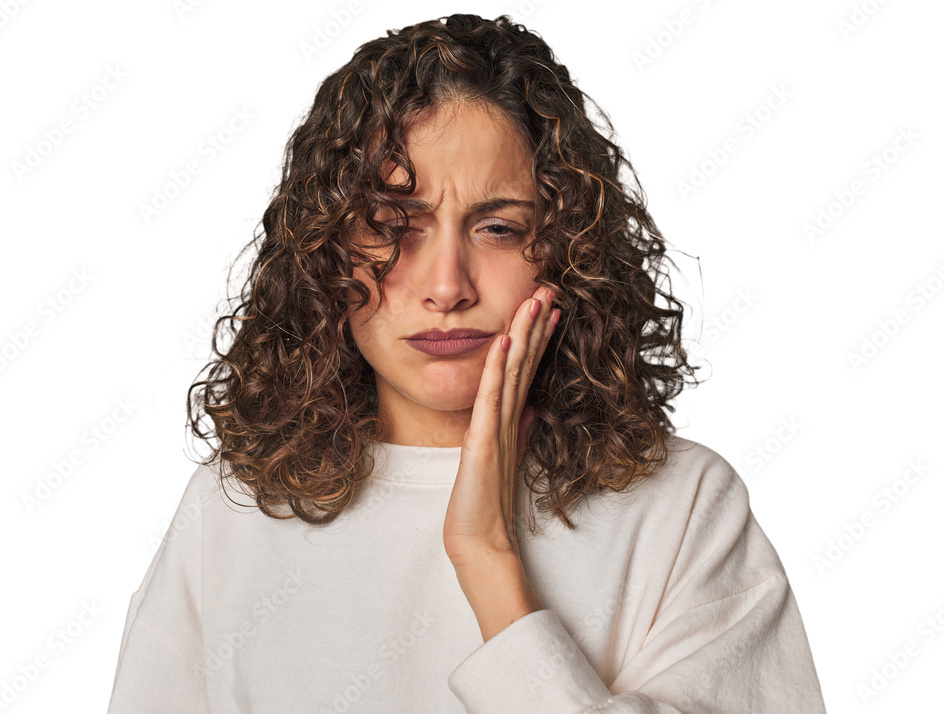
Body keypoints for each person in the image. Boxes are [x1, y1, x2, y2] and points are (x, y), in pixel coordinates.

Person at [108, 13, 826, 713]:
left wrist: (487, 558)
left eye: (499, 229)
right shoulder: (230, 512)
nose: (448, 287)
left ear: (569, 250)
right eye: (393, 227)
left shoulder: (683, 508)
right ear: (326, 253)